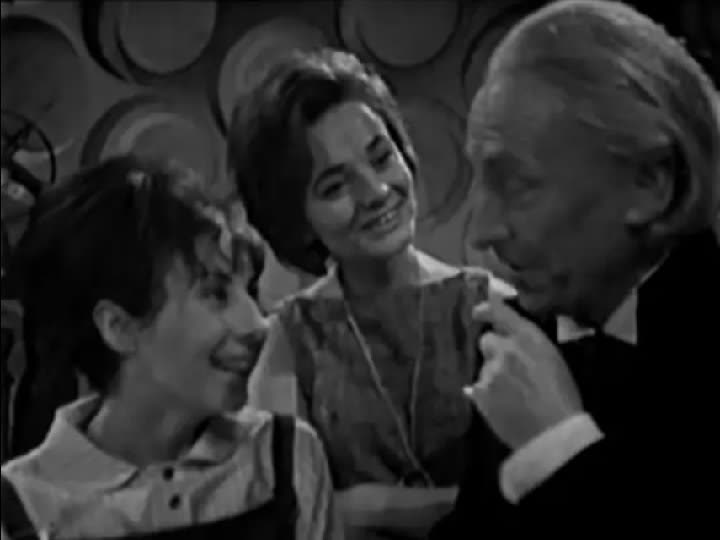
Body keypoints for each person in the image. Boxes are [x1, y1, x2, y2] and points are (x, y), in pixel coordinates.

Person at [432, 0, 720, 535]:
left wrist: (556, 450)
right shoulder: (519, 336)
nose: (481, 232)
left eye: (517, 184)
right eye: (480, 180)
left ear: (650, 183)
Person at [227, 49, 498, 538]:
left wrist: (370, 508)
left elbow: (535, 494)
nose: (376, 192)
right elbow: (287, 519)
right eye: (335, 186)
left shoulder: (488, 308)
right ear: (295, 218)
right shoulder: (289, 340)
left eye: (381, 157)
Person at [0, 155, 342, 539]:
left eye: (248, 290)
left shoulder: (283, 459)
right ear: (119, 327)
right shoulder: (22, 509)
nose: (257, 325)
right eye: (216, 294)